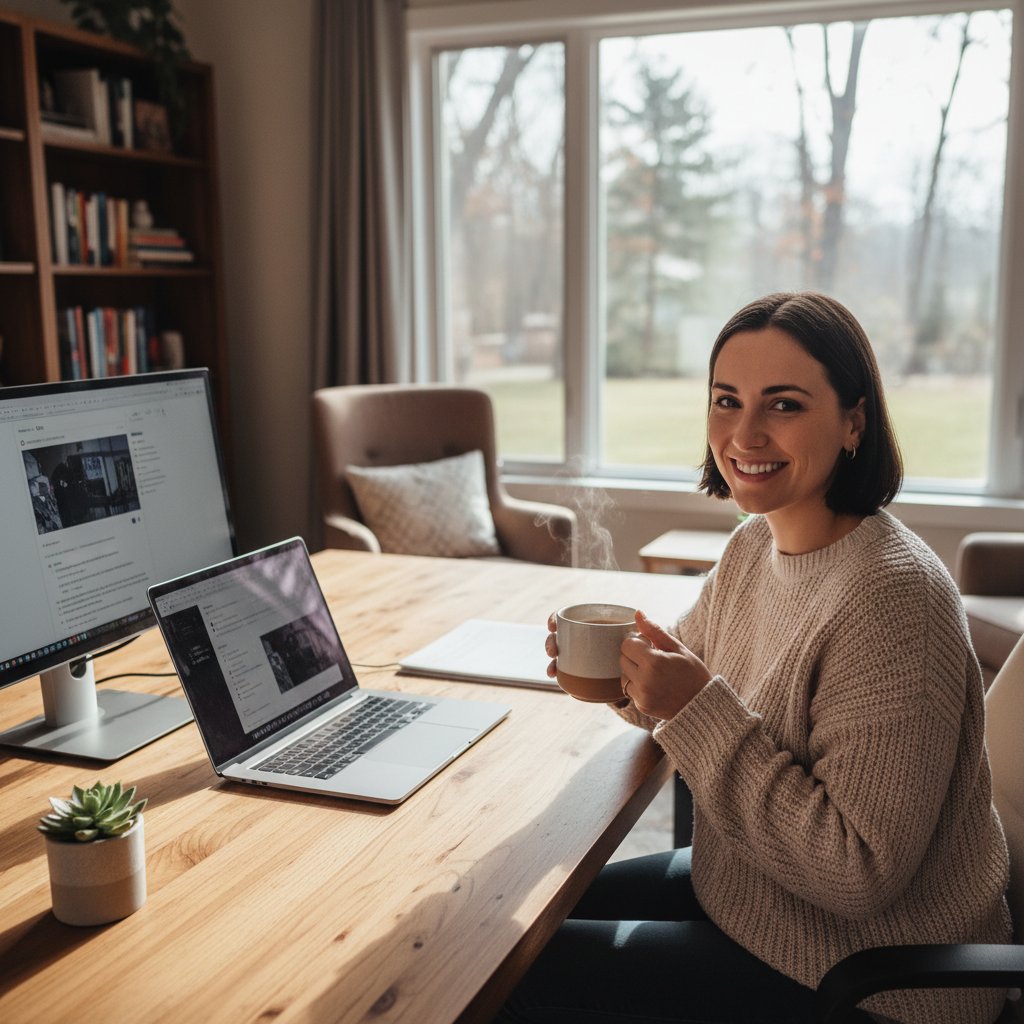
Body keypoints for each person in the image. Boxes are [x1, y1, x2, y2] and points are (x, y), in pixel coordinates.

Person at [499, 292, 1011, 1024]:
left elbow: (857, 870)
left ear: (854, 421)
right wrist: (624, 677)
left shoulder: (894, 600)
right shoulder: (753, 545)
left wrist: (690, 705)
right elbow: (686, 690)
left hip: (872, 978)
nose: (744, 433)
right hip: (755, 900)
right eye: (726, 401)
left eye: (784, 405)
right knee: (509, 926)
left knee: (519, 980)